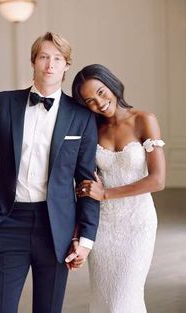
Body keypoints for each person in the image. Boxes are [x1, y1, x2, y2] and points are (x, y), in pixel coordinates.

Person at [0, 32, 100, 313]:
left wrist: (86, 237)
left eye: (58, 58)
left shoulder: (81, 116)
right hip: (8, 221)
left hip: (56, 228)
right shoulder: (4, 103)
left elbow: (87, 180)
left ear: (66, 66)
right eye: (44, 57)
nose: (50, 64)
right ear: (33, 61)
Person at [71, 64, 166, 313]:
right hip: (102, 228)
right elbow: (85, 183)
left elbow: (157, 180)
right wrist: (79, 232)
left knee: (123, 301)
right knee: (103, 301)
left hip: (137, 224)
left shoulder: (144, 120)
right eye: (90, 101)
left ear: (111, 84)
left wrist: (106, 194)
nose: (99, 103)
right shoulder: (92, 129)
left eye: (101, 92)